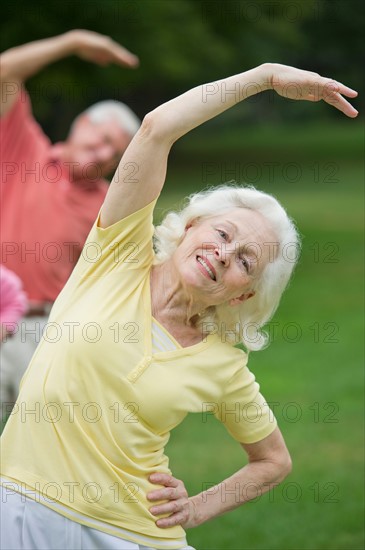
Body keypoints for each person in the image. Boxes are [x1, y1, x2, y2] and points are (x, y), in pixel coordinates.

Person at [0, 63, 358, 550]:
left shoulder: (223, 364)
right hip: (20, 506)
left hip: (131, 534)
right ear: (191, 226)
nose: (224, 254)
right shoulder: (117, 256)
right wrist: (265, 78)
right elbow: (156, 130)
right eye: (222, 233)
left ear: (244, 294)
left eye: (245, 261)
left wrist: (196, 507)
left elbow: (273, 461)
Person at [0, 30, 141, 413]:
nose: (104, 152)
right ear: (81, 123)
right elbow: (4, 71)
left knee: (35, 455)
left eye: (115, 152)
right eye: (104, 137)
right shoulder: (23, 147)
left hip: (48, 333)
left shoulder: (111, 205)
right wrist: (73, 43)